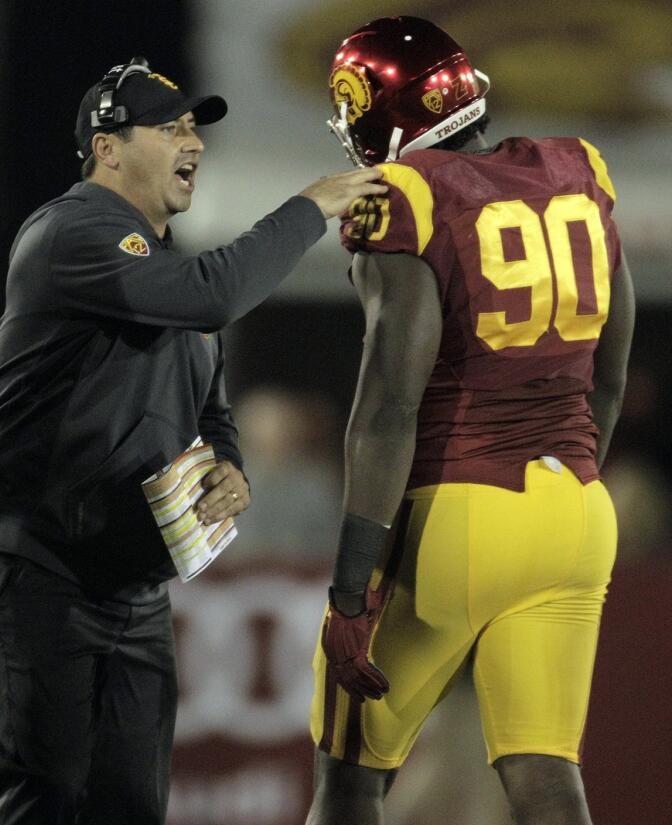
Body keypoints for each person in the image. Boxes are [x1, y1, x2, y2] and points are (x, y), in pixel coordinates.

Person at [0, 57, 385, 824]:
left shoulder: (161, 269)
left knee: (131, 806)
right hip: (36, 561)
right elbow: (214, 295)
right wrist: (307, 207)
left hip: (129, 583)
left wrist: (229, 465)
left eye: (195, 127)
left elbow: (208, 409)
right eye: (170, 126)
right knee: (46, 799)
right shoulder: (72, 229)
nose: (194, 141)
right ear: (106, 148)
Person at [307, 17, 633, 825]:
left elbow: (387, 408)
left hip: (459, 516)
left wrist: (353, 593)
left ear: (376, 113)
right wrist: (567, 477)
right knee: (546, 777)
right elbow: (611, 376)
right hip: (579, 512)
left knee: (351, 778)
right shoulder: (579, 169)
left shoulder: (410, 196)